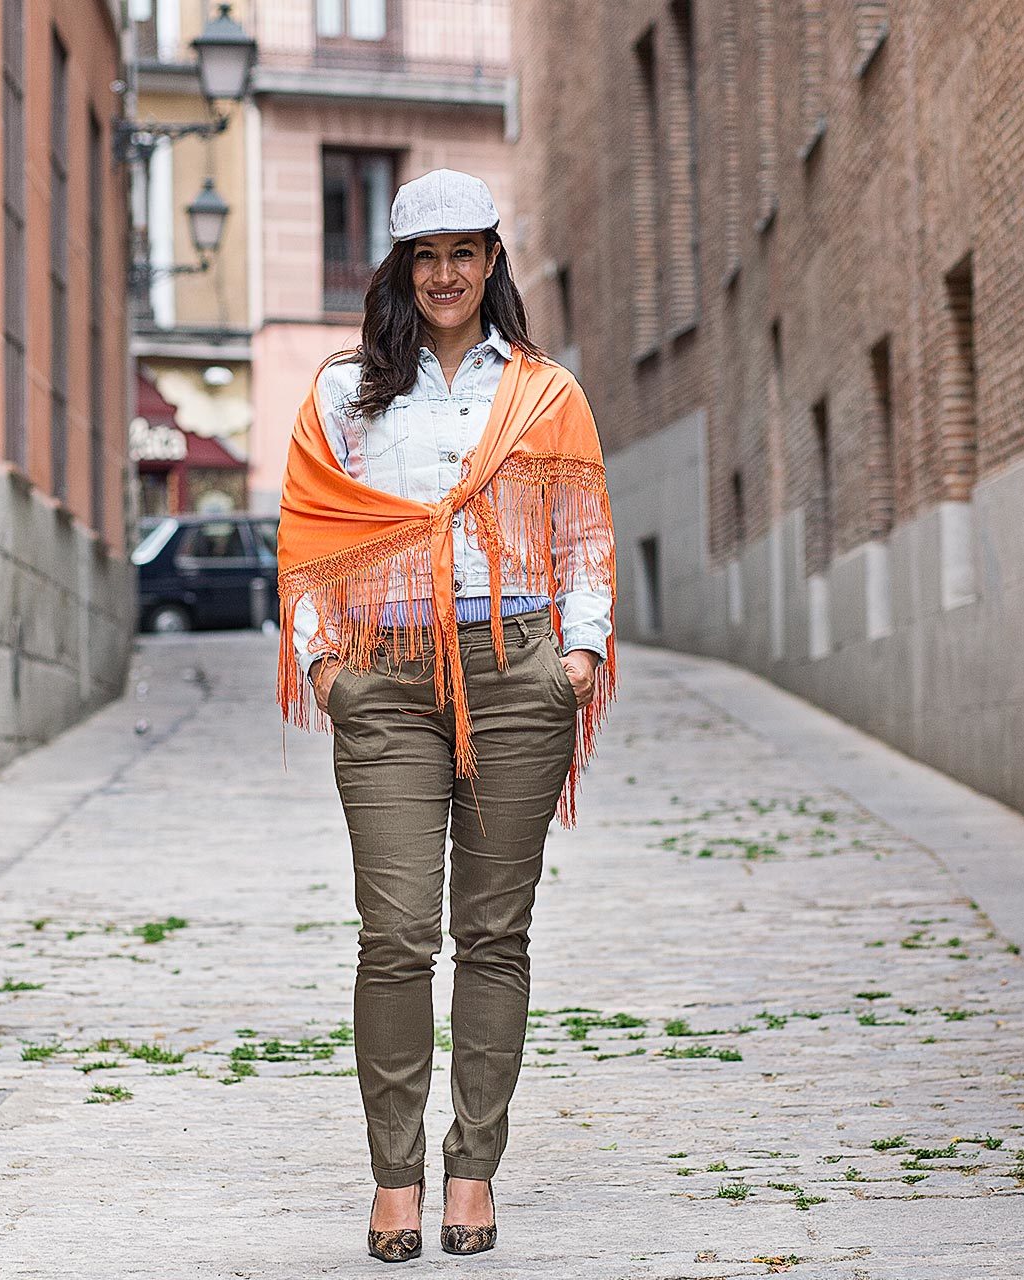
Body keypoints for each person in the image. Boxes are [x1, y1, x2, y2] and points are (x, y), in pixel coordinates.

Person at [273, 169, 617, 1262]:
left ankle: (471, 1169)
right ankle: (393, 1174)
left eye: (463, 252)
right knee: (395, 933)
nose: (444, 274)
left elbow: (582, 536)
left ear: (491, 260)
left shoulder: (545, 391)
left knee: (492, 932)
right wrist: (323, 664)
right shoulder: (342, 392)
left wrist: (576, 653)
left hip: (517, 668)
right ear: (399, 270)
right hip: (384, 670)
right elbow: (307, 537)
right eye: (424, 256)